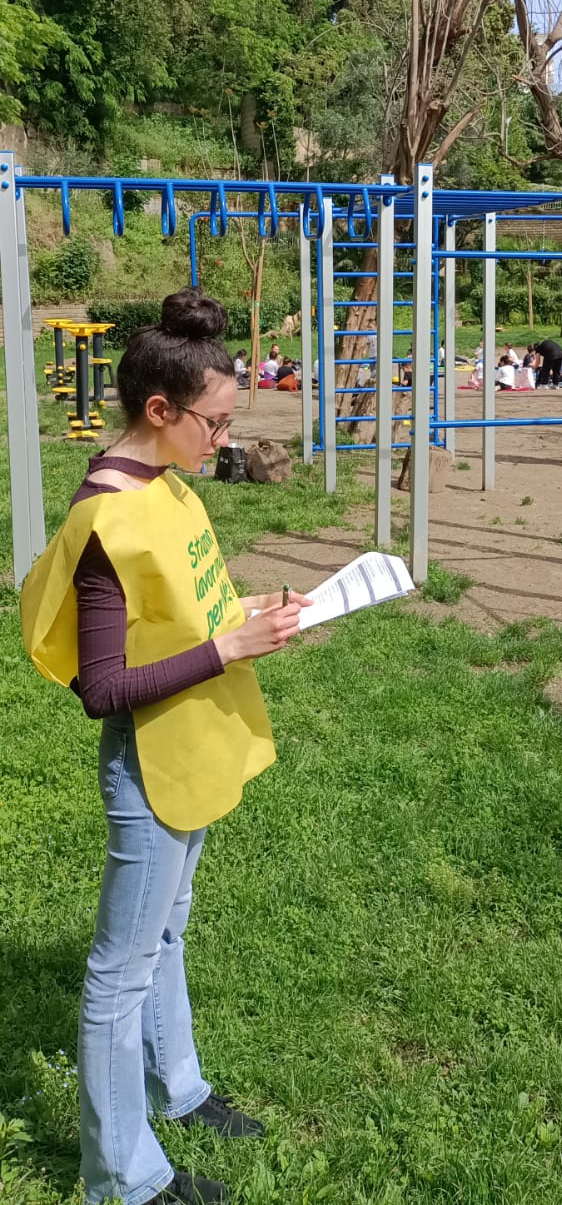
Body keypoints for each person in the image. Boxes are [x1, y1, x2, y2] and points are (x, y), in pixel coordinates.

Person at [19, 289, 312, 1205]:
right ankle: (123, 1176)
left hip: (190, 747)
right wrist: (229, 647)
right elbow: (101, 689)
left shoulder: (166, 486)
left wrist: (252, 610)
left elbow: (184, 609)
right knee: (119, 975)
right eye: (215, 422)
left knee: (167, 931)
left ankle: (174, 1087)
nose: (226, 437)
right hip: (147, 767)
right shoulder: (106, 521)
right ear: (160, 410)